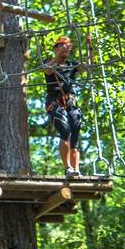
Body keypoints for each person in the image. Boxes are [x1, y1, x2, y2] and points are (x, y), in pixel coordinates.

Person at [43, 36, 84, 178]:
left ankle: (76, 170)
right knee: (65, 130)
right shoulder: (49, 63)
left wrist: (90, 47)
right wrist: (59, 53)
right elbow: (47, 70)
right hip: (54, 100)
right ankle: (68, 168)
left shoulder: (72, 64)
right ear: (56, 48)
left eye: (68, 47)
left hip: (71, 102)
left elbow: (86, 67)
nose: (66, 49)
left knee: (74, 135)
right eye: (62, 46)